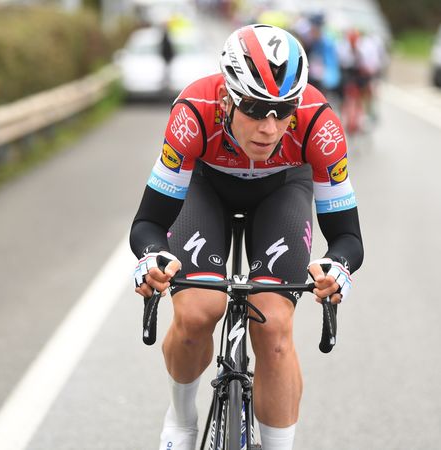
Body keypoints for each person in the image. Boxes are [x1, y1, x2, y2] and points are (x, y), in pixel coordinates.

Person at [130, 23, 364, 450]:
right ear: (226, 98)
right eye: (254, 108)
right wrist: (152, 257)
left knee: (273, 327)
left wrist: (338, 268)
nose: (269, 128)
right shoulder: (194, 111)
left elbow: (347, 236)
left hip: (282, 189)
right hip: (206, 186)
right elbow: (148, 223)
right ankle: (181, 419)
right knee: (198, 312)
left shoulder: (320, 124)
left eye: (283, 109)